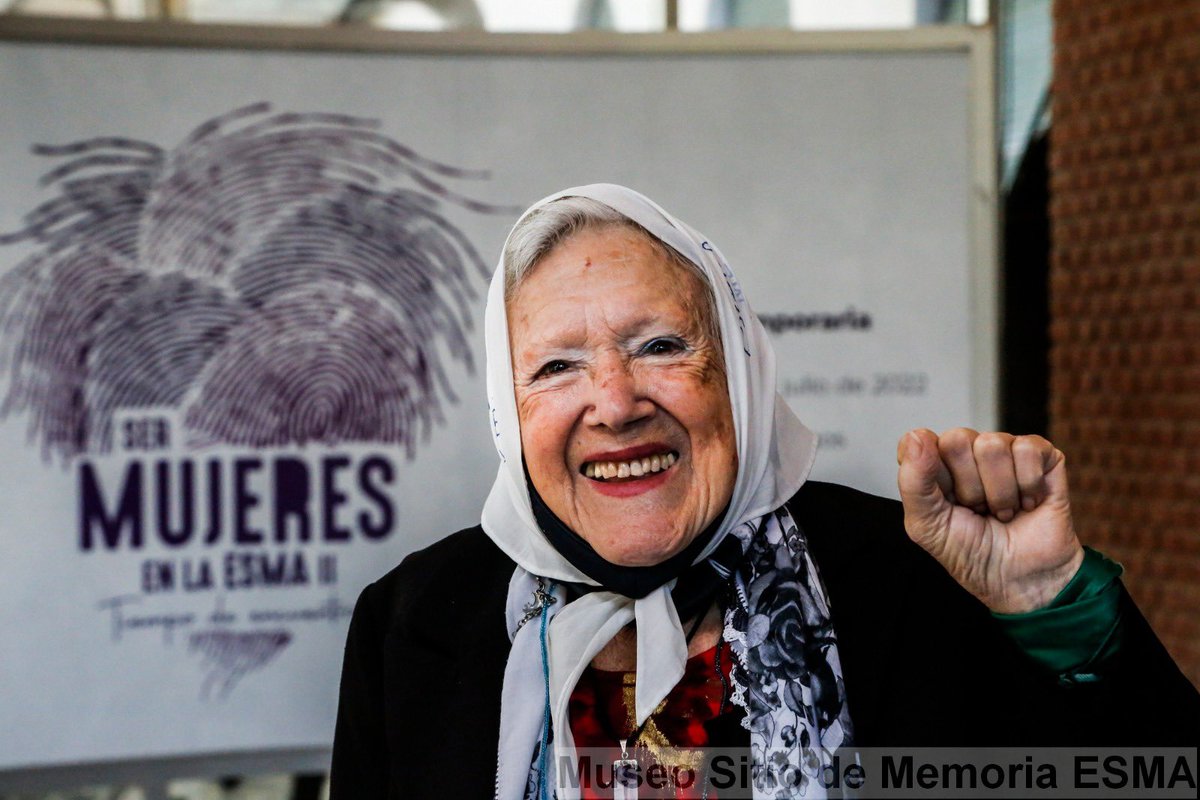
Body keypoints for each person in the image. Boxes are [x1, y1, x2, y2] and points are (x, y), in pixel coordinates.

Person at [330, 184, 1199, 799]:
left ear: (739, 372)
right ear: (504, 410)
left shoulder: (908, 583)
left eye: (662, 345)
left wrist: (1053, 603)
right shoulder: (412, 626)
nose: (616, 402)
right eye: (556, 366)